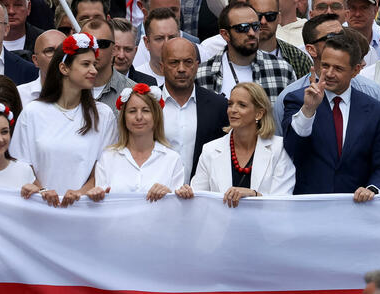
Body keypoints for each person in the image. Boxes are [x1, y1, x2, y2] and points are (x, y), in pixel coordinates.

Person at [10, 33, 117, 207]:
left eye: (94, 64)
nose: (94, 70)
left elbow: (104, 168)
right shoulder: (32, 112)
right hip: (40, 209)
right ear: (64, 68)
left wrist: (78, 196)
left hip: (85, 210)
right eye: (85, 64)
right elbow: (21, 165)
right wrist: (43, 192)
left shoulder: (103, 115)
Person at [282, 32, 380, 200]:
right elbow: (290, 149)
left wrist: (372, 189)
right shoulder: (298, 100)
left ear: (356, 70)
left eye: (338, 68)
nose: (329, 73)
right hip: (308, 208)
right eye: (325, 66)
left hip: (356, 209)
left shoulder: (375, 110)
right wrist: (308, 110)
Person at [183, 82, 295, 204]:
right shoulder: (210, 149)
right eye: (230, 104)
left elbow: (283, 203)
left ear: (259, 113)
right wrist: (185, 193)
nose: (233, 110)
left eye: (242, 105)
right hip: (221, 222)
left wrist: (253, 194)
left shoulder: (279, 148)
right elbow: (198, 198)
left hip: (265, 223)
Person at [89, 84, 184, 201]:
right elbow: (100, 206)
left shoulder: (172, 159)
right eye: (132, 111)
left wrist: (169, 195)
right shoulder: (108, 157)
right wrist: (96, 196)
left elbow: (179, 210)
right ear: (124, 117)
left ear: (156, 116)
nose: (139, 117)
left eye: (145, 110)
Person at [196, 1, 296, 105]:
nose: (252, 33)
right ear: (225, 35)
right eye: (243, 28)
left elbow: (290, 117)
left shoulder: (282, 70)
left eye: (256, 26)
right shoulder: (203, 74)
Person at [160, 38, 229, 181]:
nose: (181, 69)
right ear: (162, 66)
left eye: (188, 62)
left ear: (197, 66)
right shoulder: (148, 104)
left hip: (203, 196)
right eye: (174, 62)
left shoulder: (218, 106)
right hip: (157, 196)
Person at [80, 19, 134, 111]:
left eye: (102, 44)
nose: (95, 50)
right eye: (88, 44)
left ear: (113, 49)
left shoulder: (133, 92)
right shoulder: (66, 90)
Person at [16, 29, 65, 108]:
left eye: (62, 51)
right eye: (50, 51)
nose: (57, 56)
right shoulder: (19, 95)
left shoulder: (84, 93)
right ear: (36, 60)